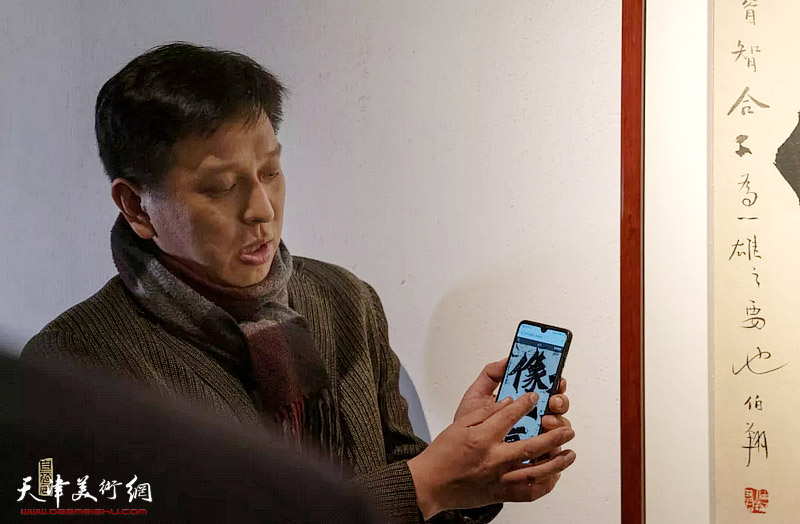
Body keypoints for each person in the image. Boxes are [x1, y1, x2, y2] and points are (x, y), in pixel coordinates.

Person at [21, 42, 576, 523]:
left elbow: (412, 486)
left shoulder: (344, 300)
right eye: (221, 187)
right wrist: (424, 485)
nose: (262, 209)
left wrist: (476, 471)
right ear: (136, 206)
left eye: (270, 171)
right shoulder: (73, 362)